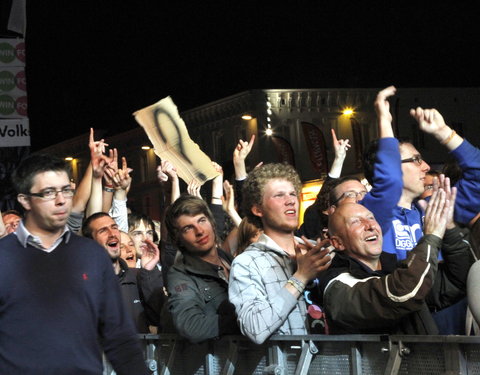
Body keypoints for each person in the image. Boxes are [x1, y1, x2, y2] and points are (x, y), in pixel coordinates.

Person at [0, 153, 148, 374]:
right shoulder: (4, 258)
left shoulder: (92, 256)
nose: (61, 200)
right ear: (25, 200)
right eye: (49, 192)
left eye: (66, 190)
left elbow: (119, 337)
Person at [317, 177, 471, 334]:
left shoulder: (395, 268)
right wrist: (431, 238)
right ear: (338, 243)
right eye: (356, 222)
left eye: (371, 218)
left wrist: (449, 227)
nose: (370, 226)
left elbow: (456, 281)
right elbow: (401, 294)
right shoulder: (338, 285)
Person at [229, 163, 332, 344]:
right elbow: (255, 329)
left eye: (293, 193)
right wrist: (301, 277)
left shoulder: (317, 250)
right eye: (279, 195)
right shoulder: (247, 263)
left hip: (336, 363)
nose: (291, 200)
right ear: (257, 209)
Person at [164, 194, 239, 343]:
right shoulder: (180, 274)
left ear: (211, 222)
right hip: (218, 361)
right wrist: (246, 321)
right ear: (178, 239)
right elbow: (191, 326)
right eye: (188, 228)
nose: (199, 231)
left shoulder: (231, 260)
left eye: (202, 221)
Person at [82, 212, 165, 333]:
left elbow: (158, 318)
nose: (112, 234)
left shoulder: (138, 276)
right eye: (103, 231)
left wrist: (149, 272)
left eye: (114, 227)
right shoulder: (83, 283)